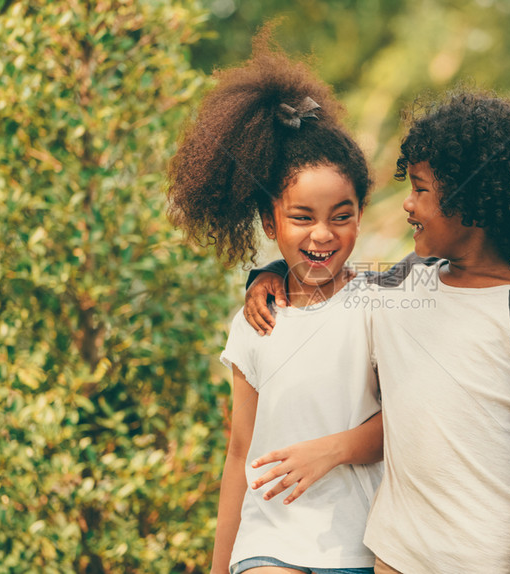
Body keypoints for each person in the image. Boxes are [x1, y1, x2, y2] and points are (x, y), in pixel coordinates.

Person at [243, 89, 510, 574]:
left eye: (421, 189)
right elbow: (326, 281)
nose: (407, 204)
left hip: (487, 561)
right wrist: (265, 276)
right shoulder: (404, 284)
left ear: (472, 199)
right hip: (395, 558)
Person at [166, 28, 384, 574]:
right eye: (301, 218)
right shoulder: (253, 321)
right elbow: (239, 453)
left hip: (357, 545)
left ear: (361, 212)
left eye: (342, 215)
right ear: (269, 221)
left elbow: (407, 424)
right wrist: (220, 567)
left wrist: (330, 449)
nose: (323, 235)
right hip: (268, 543)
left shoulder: (381, 306)